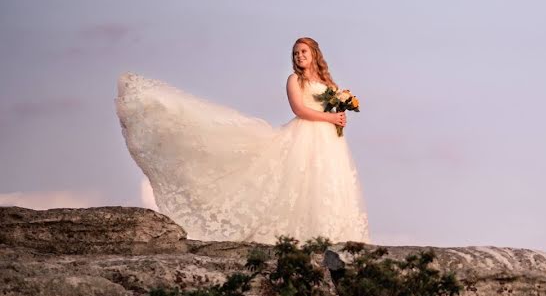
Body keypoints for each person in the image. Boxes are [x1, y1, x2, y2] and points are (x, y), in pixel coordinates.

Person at [114, 37, 371, 245]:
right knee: (301, 181)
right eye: (295, 53)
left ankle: (333, 234)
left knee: (327, 182)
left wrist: (340, 114)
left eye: (303, 51)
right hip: (307, 134)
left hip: (329, 141)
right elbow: (299, 109)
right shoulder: (294, 80)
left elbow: (334, 108)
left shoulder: (327, 82)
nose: (299, 56)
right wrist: (330, 118)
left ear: (314, 53)